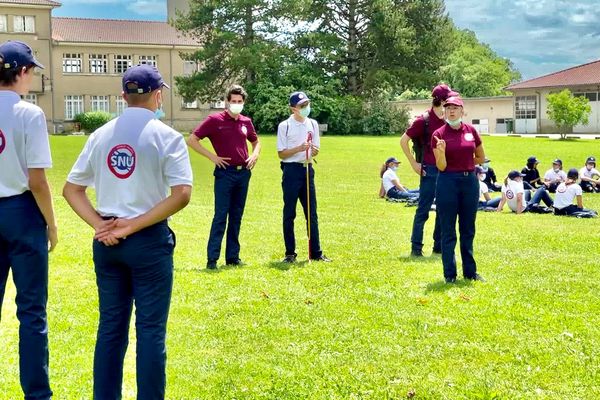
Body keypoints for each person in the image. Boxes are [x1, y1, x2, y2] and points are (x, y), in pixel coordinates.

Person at [62, 64, 193, 399]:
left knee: (110, 328)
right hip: (147, 240)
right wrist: (133, 225)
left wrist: (98, 225)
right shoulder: (166, 136)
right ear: (157, 94)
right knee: (150, 331)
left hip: (107, 242)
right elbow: (182, 194)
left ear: (123, 96)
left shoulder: (100, 135)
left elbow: (71, 190)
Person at [0, 40, 56, 400]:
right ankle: (37, 394)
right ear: (21, 72)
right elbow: (37, 180)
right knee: (32, 310)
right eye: (31, 70)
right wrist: (51, 223)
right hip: (20, 211)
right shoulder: (28, 113)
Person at [187, 85, 260, 269]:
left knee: (237, 216)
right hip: (224, 173)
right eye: (233, 101)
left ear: (243, 102)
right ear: (227, 101)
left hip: (243, 173)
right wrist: (212, 157)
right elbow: (192, 139)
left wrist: (255, 154)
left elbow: (255, 141)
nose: (236, 104)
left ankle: (233, 257)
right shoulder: (215, 120)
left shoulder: (246, 121)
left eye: (239, 101)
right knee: (220, 216)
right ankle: (212, 259)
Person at [400, 84, 458, 257]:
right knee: (423, 210)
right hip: (429, 170)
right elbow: (403, 141)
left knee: (443, 210)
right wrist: (414, 164)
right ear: (440, 101)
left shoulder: (447, 121)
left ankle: (438, 247)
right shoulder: (423, 120)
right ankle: (416, 248)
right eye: (448, 99)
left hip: (445, 170)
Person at [431, 96, 485, 283]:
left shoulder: (471, 131)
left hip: (469, 181)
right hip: (448, 182)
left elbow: (480, 157)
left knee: (468, 228)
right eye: (448, 108)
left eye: (455, 108)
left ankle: (470, 272)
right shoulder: (438, 134)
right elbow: (442, 166)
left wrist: (466, 163)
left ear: (462, 111)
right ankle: (450, 274)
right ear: (444, 112)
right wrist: (442, 152)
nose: (451, 111)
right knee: (448, 230)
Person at [277, 91, 330, 263]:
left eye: (307, 104)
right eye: (302, 106)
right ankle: (290, 253)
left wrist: (314, 151)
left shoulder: (312, 124)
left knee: (311, 213)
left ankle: (316, 252)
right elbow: (281, 154)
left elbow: (316, 149)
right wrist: (298, 149)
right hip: (291, 170)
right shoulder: (285, 126)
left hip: (307, 169)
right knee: (289, 212)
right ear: (293, 109)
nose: (306, 108)